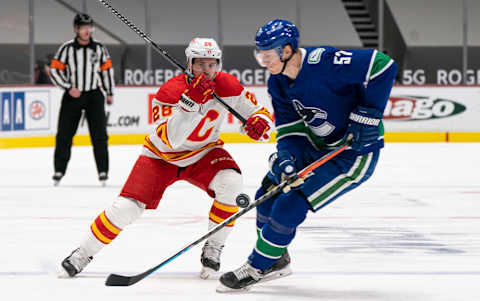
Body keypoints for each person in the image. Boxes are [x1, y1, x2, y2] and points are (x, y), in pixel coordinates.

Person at [58, 37, 273, 279]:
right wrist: (189, 105)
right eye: (200, 65)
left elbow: (259, 112)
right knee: (125, 208)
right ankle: (82, 253)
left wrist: (259, 125)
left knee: (231, 183)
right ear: (189, 64)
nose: (207, 71)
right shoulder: (171, 91)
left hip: (204, 153)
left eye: (212, 65)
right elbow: (172, 140)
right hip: (161, 157)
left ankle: (213, 247)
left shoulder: (227, 84)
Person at [217, 19, 398, 292]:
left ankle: (258, 265)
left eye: (268, 54)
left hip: (353, 154)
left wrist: (369, 114)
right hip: (317, 146)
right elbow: (290, 131)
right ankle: (276, 260)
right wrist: (287, 159)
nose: (263, 61)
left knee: (291, 203)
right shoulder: (277, 83)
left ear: (287, 50)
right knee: (268, 193)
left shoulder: (325, 62)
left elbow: (383, 65)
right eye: (259, 55)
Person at [49, 13, 114, 186]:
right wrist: (68, 87)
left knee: (99, 135)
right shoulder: (67, 48)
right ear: (76, 29)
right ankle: (59, 170)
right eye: (83, 27)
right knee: (64, 134)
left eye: (89, 27)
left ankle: (103, 171)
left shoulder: (99, 48)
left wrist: (109, 92)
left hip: (94, 95)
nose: (87, 30)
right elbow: (54, 70)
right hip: (73, 96)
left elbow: (107, 71)